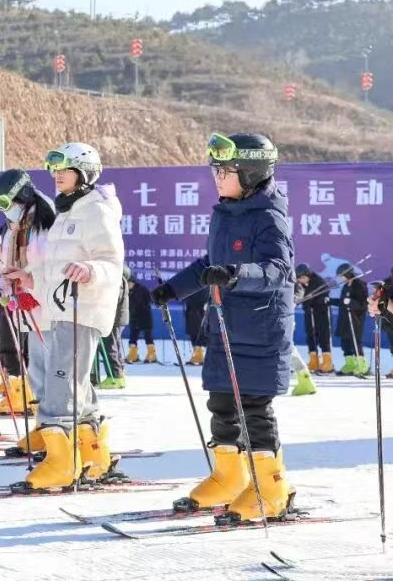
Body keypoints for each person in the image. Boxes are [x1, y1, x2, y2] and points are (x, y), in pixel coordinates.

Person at [151, 132, 294, 523]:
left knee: (254, 409)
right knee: (222, 403)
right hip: (226, 327)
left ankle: (271, 488)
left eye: (225, 171)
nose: (216, 177)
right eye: (215, 170)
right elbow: (207, 264)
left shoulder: (269, 216)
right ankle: (229, 476)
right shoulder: (225, 213)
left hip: (260, 329)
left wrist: (234, 274)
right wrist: (174, 288)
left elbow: (279, 271)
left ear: (250, 173)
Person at [2, 143, 124, 489]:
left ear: (84, 173)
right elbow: (54, 268)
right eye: (54, 170)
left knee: (60, 385)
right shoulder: (68, 211)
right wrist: (29, 278)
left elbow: (111, 260)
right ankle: (93, 454)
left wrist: (90, 270)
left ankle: (61, 462)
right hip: (61, 309)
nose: (57, 176)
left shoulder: (96, 211)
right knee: (76, 384)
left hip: (82, 309)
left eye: (65, 170)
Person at [0, 168, 55, 420]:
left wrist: (33, 284)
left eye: (5, 203)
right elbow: (9, 270)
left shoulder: (48, 223)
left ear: (22, 195)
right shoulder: (14, 228)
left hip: (52, 310)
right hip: (29, 312)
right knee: (37, 371)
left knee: (56, 372)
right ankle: (44, 425)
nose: (3, 210)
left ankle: (65, 427)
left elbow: (57, 267)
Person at [295, 264, 332, 374]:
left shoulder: (318, 281)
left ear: (308, 275)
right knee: (310, 335)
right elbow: (299, 296)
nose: (301, 280)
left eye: (303, 278)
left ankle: (327, 362)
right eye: (299, 279)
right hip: (309, 312)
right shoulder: (301, 284)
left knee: (322, 335)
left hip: (320, 313)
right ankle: (314, 361)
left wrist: (314, 301)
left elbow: (324, 294)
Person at [335, 263, 369, 377]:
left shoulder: (360, 285)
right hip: (345, 319)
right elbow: (343, 301)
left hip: (355, 319)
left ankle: (362, 365)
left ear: (348, 274)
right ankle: (350, 364)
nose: (341, 279)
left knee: (355, 343)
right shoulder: (346, 285)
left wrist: (351, 302)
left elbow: (363, 304)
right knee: (345, 343)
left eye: (342, 276)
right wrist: (330, 301)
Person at [98, 269, 129, 389]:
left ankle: (115, 376)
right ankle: (119, 373)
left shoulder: (117, 280)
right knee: (115, 346)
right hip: (116, 318)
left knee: (108, 346)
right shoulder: (120, 280)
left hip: (113, 319)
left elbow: (113, 300)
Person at [126, 275, 155, 363]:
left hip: (144, 316)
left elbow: (150, 299)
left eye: (129, 283)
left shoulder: (142, 289)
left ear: (133, 282)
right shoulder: (127, 291)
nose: (128, 285)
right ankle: (133, 355)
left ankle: (152, 355)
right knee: (132, 336)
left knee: (148, 336)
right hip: (133, 317)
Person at [184, 288, 210, 365]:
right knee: (194, 329)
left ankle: (199, 353)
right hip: (193, 302)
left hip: (198, 304)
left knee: (198, 328)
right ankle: (198, 353)